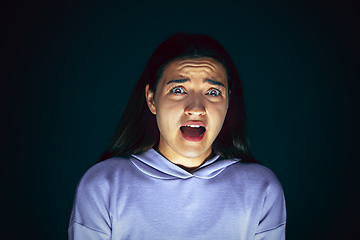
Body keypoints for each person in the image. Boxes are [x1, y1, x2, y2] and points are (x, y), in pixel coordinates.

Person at [68, 33, 286, 240]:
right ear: (152, 100)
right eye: (179, 90)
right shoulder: (103, 185)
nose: (196, 108)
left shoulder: (261, 188)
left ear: (228, 102)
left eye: (212, 92)